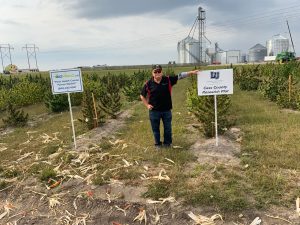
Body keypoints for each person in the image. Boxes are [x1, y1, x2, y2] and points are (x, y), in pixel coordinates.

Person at [140, 65, 199, 148]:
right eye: (155, 72)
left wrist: (191, 72)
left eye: (159, 71)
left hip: (166, 110)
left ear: (162, 72)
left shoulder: (167, 80)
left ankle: (167, 144)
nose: (157, 73)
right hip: (154, 111)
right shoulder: (148, 84)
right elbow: (142, 96)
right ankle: (158, 144)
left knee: (168, 129)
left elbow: (180, 76)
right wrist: (147, 105)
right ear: (152, 73)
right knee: (156, 129)